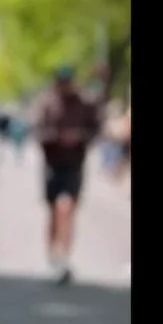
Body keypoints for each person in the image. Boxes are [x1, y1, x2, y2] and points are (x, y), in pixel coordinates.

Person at [31, 64, 101, 284]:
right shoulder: (47, 103)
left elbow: (95, 128)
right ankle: (53, 254)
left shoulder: (83, 104)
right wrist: (57, 137)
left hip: (74, 164)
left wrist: (79, 136)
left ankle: (64, 258)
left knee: (67, 209)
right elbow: (38, 130)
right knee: (54, 212)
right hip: (53, 163)